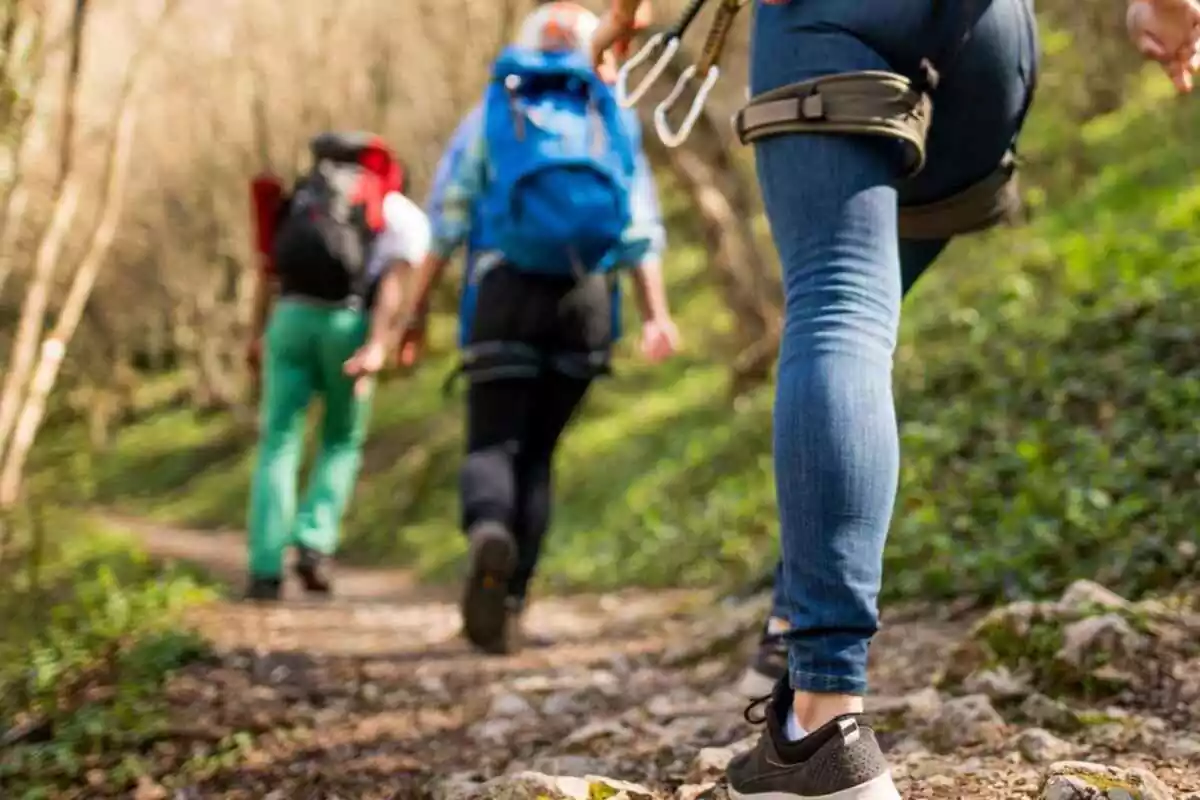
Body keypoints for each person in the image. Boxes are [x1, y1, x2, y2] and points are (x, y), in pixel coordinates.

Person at [592, 0, 1200, 798]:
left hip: (831, 22)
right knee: (855, 318)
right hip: (989, 40)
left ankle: (822, 717)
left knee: (841, 306)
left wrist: (621, 15)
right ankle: (796, 618)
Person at [404, 1, 679, 654]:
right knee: (539, 456)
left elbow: (447, 218)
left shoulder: (496, 110)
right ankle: (516, 603)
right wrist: (657, 314)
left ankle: (487, 531)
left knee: (494, 442)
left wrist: (412, 316)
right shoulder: (611, 113)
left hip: (504, 290)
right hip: (585, 298)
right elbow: (639, 228)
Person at [244, 132, 431, 601]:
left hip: (288, 318)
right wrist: (377, 345)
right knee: (341, 439)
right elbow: (393, 282)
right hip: (347, 324)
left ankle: (265, 567)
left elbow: (267, 269)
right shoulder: (391, 208)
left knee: (278, 441)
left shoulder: (302, 197)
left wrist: (259, 332)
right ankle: (314, 542)